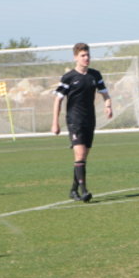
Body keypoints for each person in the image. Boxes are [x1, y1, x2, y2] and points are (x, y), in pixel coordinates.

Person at [51, 42, 113, 202]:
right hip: (74, 120)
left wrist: (108, 106)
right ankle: (84, 191)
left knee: (83, 157)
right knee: (79, 154)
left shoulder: (95, 75)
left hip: (89, 120)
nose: (86, 58)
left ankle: (73, 190)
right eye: (82, 55)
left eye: (88, 55)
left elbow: (105, 94)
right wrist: (55, 122)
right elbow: (58, 100)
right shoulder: (69, 77)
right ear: (75, 58)